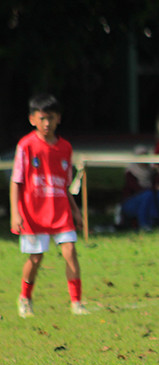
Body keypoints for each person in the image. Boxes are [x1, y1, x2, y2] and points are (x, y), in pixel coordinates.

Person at [9, 93, 88, 318]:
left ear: (58, 119)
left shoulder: (65, 148)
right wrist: (16, 213)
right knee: (35, 258)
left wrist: (76, 211)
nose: (47, 123)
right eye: (42, 118)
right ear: (32, 119)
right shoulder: (25, 146)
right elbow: (16, 182)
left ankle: (77, 303)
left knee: (70, 251)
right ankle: (25, 297)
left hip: (60, 210)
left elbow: (63, 185)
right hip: (33, 213)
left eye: (51, 118)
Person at [120, 145, 159, 231]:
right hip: (131, 203)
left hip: (149, 199)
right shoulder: (130, 172)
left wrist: (158, 173)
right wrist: (156, 188)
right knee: (148, 195)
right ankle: (144, 224)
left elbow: (158, 185)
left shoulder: (150, 171)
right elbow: (137, 189)